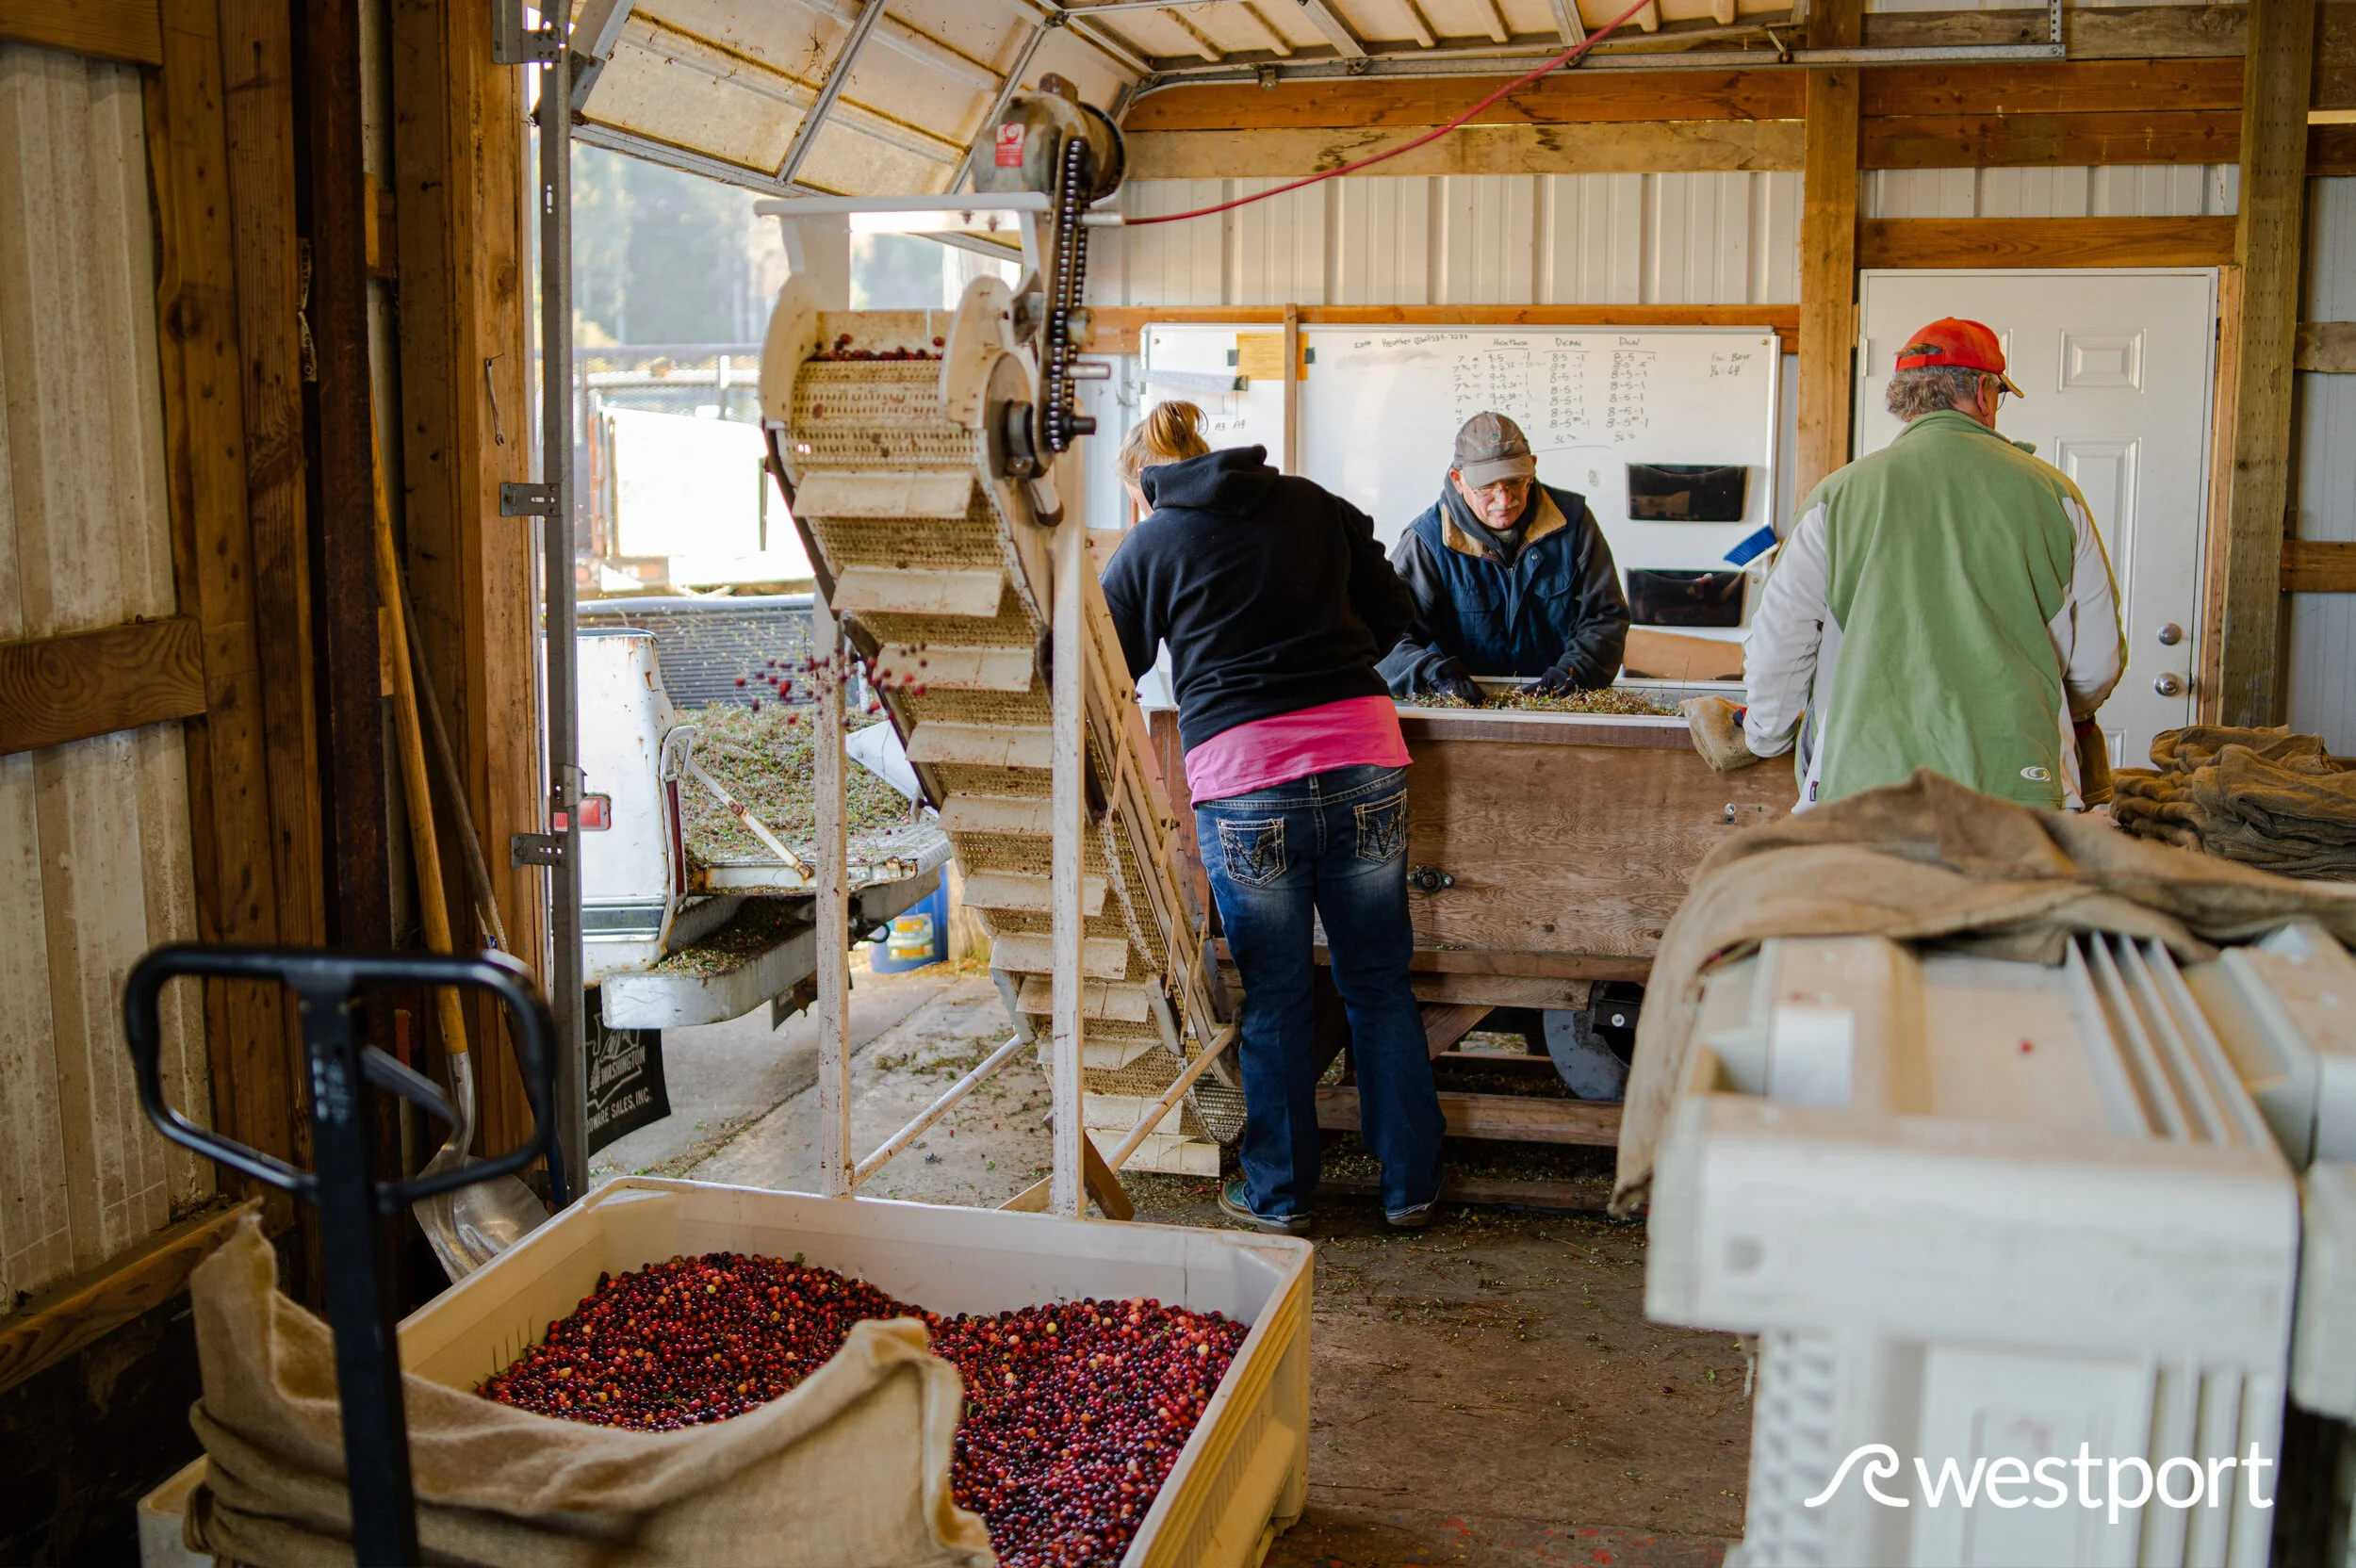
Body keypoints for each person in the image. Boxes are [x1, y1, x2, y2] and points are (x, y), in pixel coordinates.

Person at [1101, 439, 1446, 1235]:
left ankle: (1280, 1195)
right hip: (1364, 756)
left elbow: (1108, 660)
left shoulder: (1152, 541)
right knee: (1378, 980)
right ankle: (1412, 1187)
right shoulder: (1314, 502)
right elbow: (1397, 615)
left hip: (1247, 778)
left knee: (1279, 993)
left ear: (1148, 485)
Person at [1723, 317, 2125, 809]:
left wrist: (1765, 735)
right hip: (2020, 789)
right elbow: (2097, 663)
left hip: (1863, 787)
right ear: (1983, 391)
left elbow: (1779, 645)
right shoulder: (2055, 496)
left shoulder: (1838, 496)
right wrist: (2063, 708)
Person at [1379, 412, 1630, 706]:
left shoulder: (1573, 523)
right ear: (1458, 480)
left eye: (1514, 481)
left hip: (1559, 708)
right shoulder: (1427, 541)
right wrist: (1435, 676)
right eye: (1486, 486)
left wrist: (1573, 676)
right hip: (1459, 714)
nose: (1504, 498)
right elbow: (1384, 636)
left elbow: (1605, 616)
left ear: (1532, 468)